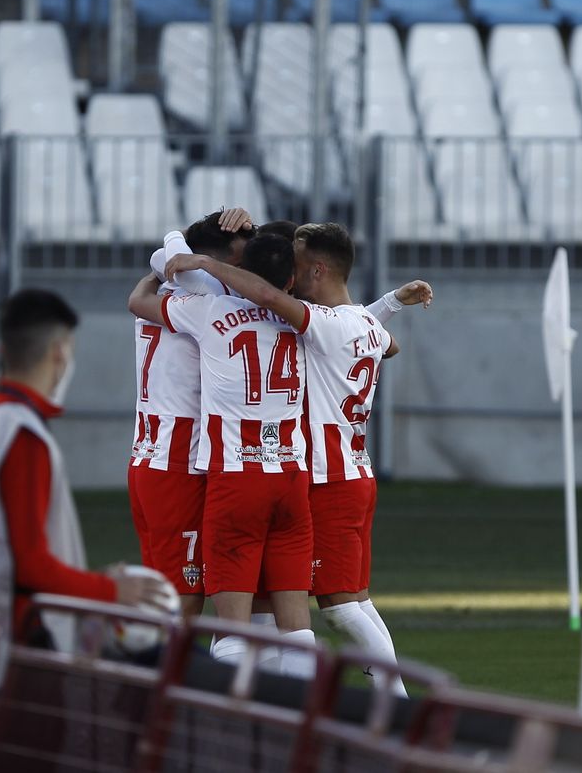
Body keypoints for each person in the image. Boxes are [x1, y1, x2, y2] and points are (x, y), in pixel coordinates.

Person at [166, 223, 431, 695]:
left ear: (317, 269)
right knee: (305, 610)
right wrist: (390, 303)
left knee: (340, 606)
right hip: (342, 474)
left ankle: (397, 703)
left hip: (319, 479)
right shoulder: (361, 324)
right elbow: (386, 344)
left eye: (299, 263)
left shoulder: (312, 321)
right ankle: (295, 707)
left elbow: (266, 298)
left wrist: (204, 261)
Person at [0, 289, 164, 696]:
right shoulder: (23, 436)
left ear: (2, 349)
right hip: (7, 657)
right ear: (60, 353)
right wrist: (112, 591)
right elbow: (30, 566)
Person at [127, 235, 320, 678]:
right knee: (295, 626)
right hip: (291, 477)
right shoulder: (311, 319)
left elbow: (139, 302)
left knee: (233, 629)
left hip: (237, 478)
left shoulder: (210, 310)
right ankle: (300, 727)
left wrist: (168, 268)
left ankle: (230, 720)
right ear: (293, 279)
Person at [129, 208, 254, 618]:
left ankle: (149, 676)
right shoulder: (209, 298)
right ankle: (166, 679)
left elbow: (165, 257)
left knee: (159, 592)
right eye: (239, 262)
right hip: (179, 460)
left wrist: (185, 236)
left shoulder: (160, 292)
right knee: (184, 596)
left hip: (148, 456)